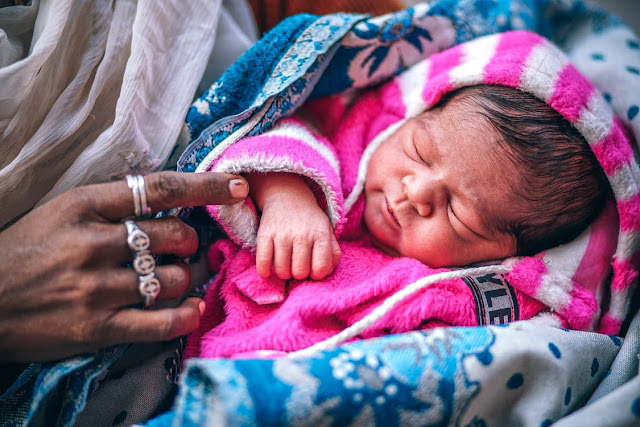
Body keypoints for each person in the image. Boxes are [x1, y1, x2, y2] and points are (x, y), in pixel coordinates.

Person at [185, 30, 628, 359]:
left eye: (460, 215)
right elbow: (275, 138)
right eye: (419, 152)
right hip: (196, 317)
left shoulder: (468, 297)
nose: (416, 192)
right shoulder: (355, 136)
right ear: (413, 114)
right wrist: (288, 196)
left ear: (502, 257)